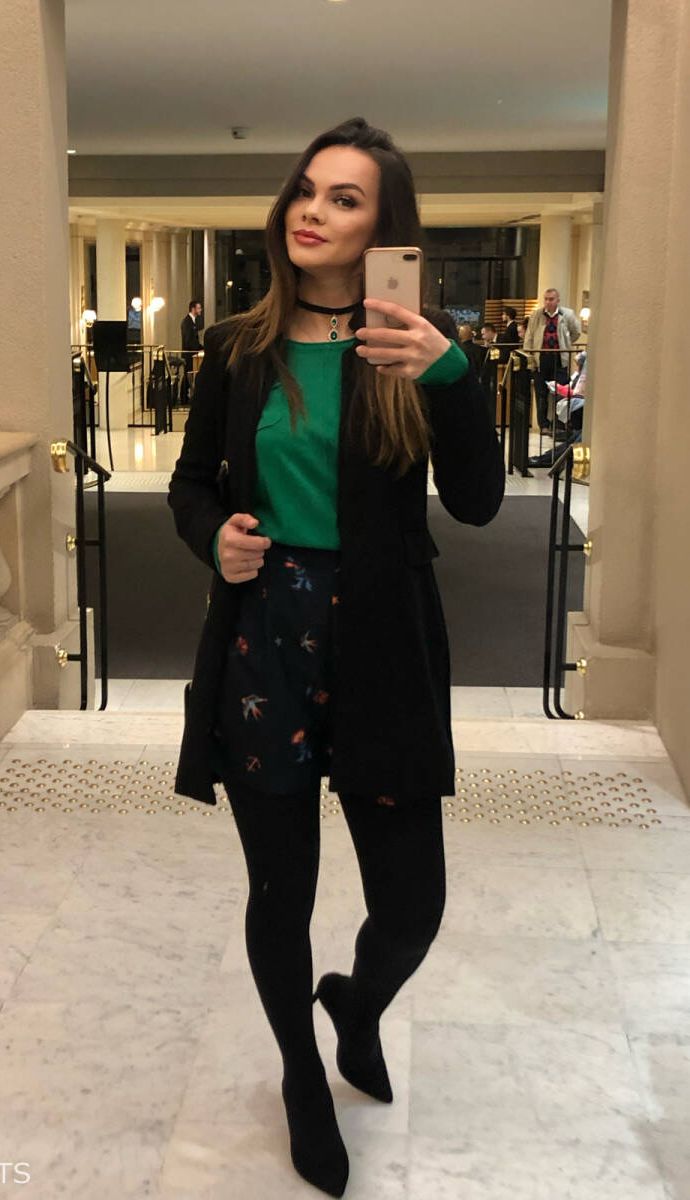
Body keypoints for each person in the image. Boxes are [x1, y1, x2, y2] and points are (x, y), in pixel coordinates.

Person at [168, 117, 504, 1198]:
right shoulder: (239, 346)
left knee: (411, 905)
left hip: (382, 641)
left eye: (344, 198)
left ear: (384, 229)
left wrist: (452, 373)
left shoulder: (413, 344)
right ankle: (302, 1077)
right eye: (306, 190)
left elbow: (479, 502)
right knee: (281, 889)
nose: (312, 211)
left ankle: (357, 1003)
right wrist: (214, 537)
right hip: (267, 637)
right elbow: (191, 483)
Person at [522, 288, 581, 433]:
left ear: (557, 300)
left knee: (560, 392)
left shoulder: (567, 314)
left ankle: (558, 424)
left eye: (551, 299)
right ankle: (544, 425)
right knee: (541, 393)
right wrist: (531, 358)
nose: (548, 302)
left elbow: (576, 332)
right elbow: (529, 337)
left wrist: (566, 343)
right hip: (541, 357)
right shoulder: (536, 315)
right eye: (546, 299)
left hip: (559, 358)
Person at [180, 299, 203, 402]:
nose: (200, 310)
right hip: (189, 354)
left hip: (192, 352)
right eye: (199, 308)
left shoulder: (192, 321)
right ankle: (183, 397)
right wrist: (198, 348)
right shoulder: (187, 322)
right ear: (193, 309)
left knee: (188, 374)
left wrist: (201, 347)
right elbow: (189, 340)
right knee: (188, 374)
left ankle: (185, 396)